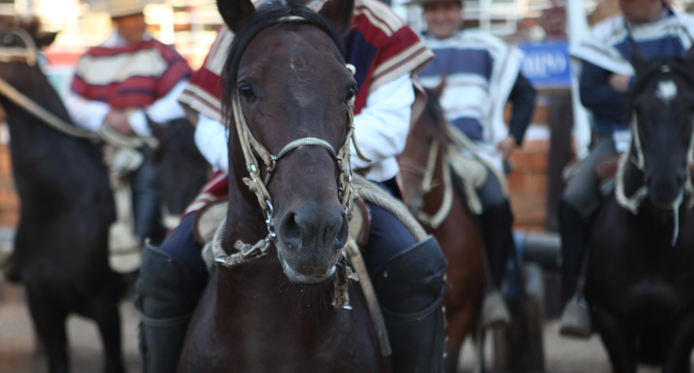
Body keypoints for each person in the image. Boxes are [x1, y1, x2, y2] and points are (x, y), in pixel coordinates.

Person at [136, 0, 448, 372]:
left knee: (416, 270)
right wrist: (261, 162)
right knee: (163, 272)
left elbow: (392, 125)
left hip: (359, 180)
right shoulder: (248, 21)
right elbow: (207, 122)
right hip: (249, 179)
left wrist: (312, 154)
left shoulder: (377, 22)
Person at [561, 0, 694, 337]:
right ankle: (576, 297)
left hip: (686, 138)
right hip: (618, 139)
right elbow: (591, 94)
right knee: (573, 198)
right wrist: (657, 92)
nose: (623, 3)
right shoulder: (601, 37)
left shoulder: (692, 32)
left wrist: (635, 84)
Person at [413, 0, 537, 328]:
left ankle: (494, 289)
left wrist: (514, 138)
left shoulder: (488, 47)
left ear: (461, 12)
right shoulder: (408, 49)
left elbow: (525, 93)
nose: (440, 16)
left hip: (471, 152)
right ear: (423, 14)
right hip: (417, 154)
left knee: (496, 201)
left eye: (447, 9)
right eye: (432, 10)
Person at [66, 0, 192, 246]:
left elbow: (183, 95)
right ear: (116, 21)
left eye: (140, 14)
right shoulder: (92, 58)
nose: (139, 21)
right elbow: (73, 103)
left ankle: (139, 245)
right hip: (101, 140)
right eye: (131, 16)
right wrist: (105, 115)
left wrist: (138, 120)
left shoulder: (160, 53)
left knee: (148, 177)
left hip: (148, 140)